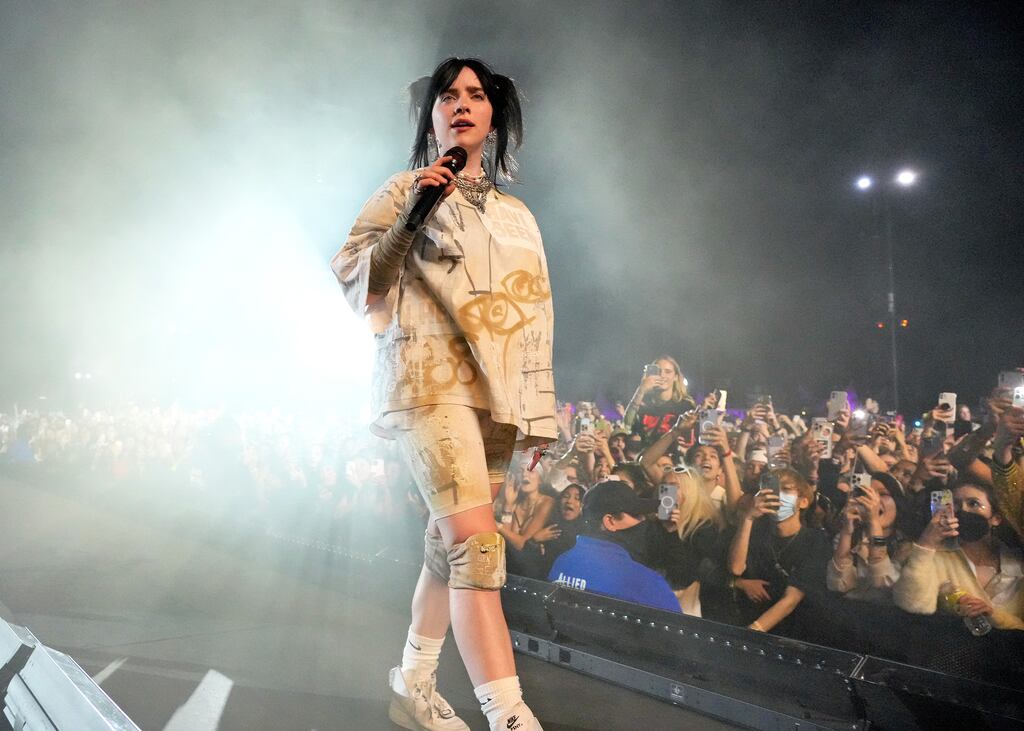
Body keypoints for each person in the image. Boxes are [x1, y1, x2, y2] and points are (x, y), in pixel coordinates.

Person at [332, 57, 555, 731]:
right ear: (431, 115)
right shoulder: (404, 187)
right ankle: (509, 715)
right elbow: (358, 280)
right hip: (426, 380)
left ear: (494, 115)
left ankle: (413, 681)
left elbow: (538, 314)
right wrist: (410, 214)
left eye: (475, 95)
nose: (461, 103)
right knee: (477, 548)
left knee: (447, 542)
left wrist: (539, 413)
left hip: (495, 398)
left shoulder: (519, 216)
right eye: (448, 96)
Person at [548, 480, 681, 612]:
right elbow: (677, 627)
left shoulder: (561, 563)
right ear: (610, 522)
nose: (643, 520)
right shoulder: (644, 582)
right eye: (637, 515)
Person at [622, 356, 697, 447]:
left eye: (668, 372)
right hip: (646, 456)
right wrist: (641, 389)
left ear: (675, 377)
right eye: (658, 371)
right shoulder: (642, 403)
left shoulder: (685, 406)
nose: (662, 375)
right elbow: (626, 425)